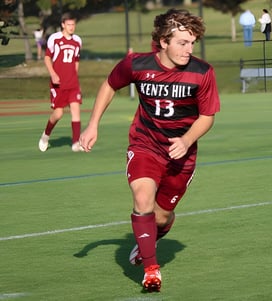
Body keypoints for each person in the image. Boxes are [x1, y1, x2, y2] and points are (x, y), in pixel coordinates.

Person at [78, 8, 220, 293]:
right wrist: (92, 124)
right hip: (145, 144)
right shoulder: (137, 64)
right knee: (142, 198)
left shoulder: (202, 72)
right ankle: (151, 270)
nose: (188, 49)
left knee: (161, 216)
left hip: (182, 154)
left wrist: (187, 139)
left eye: (192, 43)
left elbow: (207, 116)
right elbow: (109, 85)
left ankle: (151, 237)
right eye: (182, 42)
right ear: (163, 41)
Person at [38, 12, 83, 152]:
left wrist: (75, 76)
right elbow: (47, 58)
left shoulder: (77, 41)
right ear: (63, 25)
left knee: (76, 111)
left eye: (73, 24)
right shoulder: (55, 39)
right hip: (58, 84)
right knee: (58, 114)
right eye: (68, 24)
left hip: (72, 84)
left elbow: (76, 60)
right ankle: (46, 135)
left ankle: (76, 143)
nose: (71, 27)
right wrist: (53, 74)